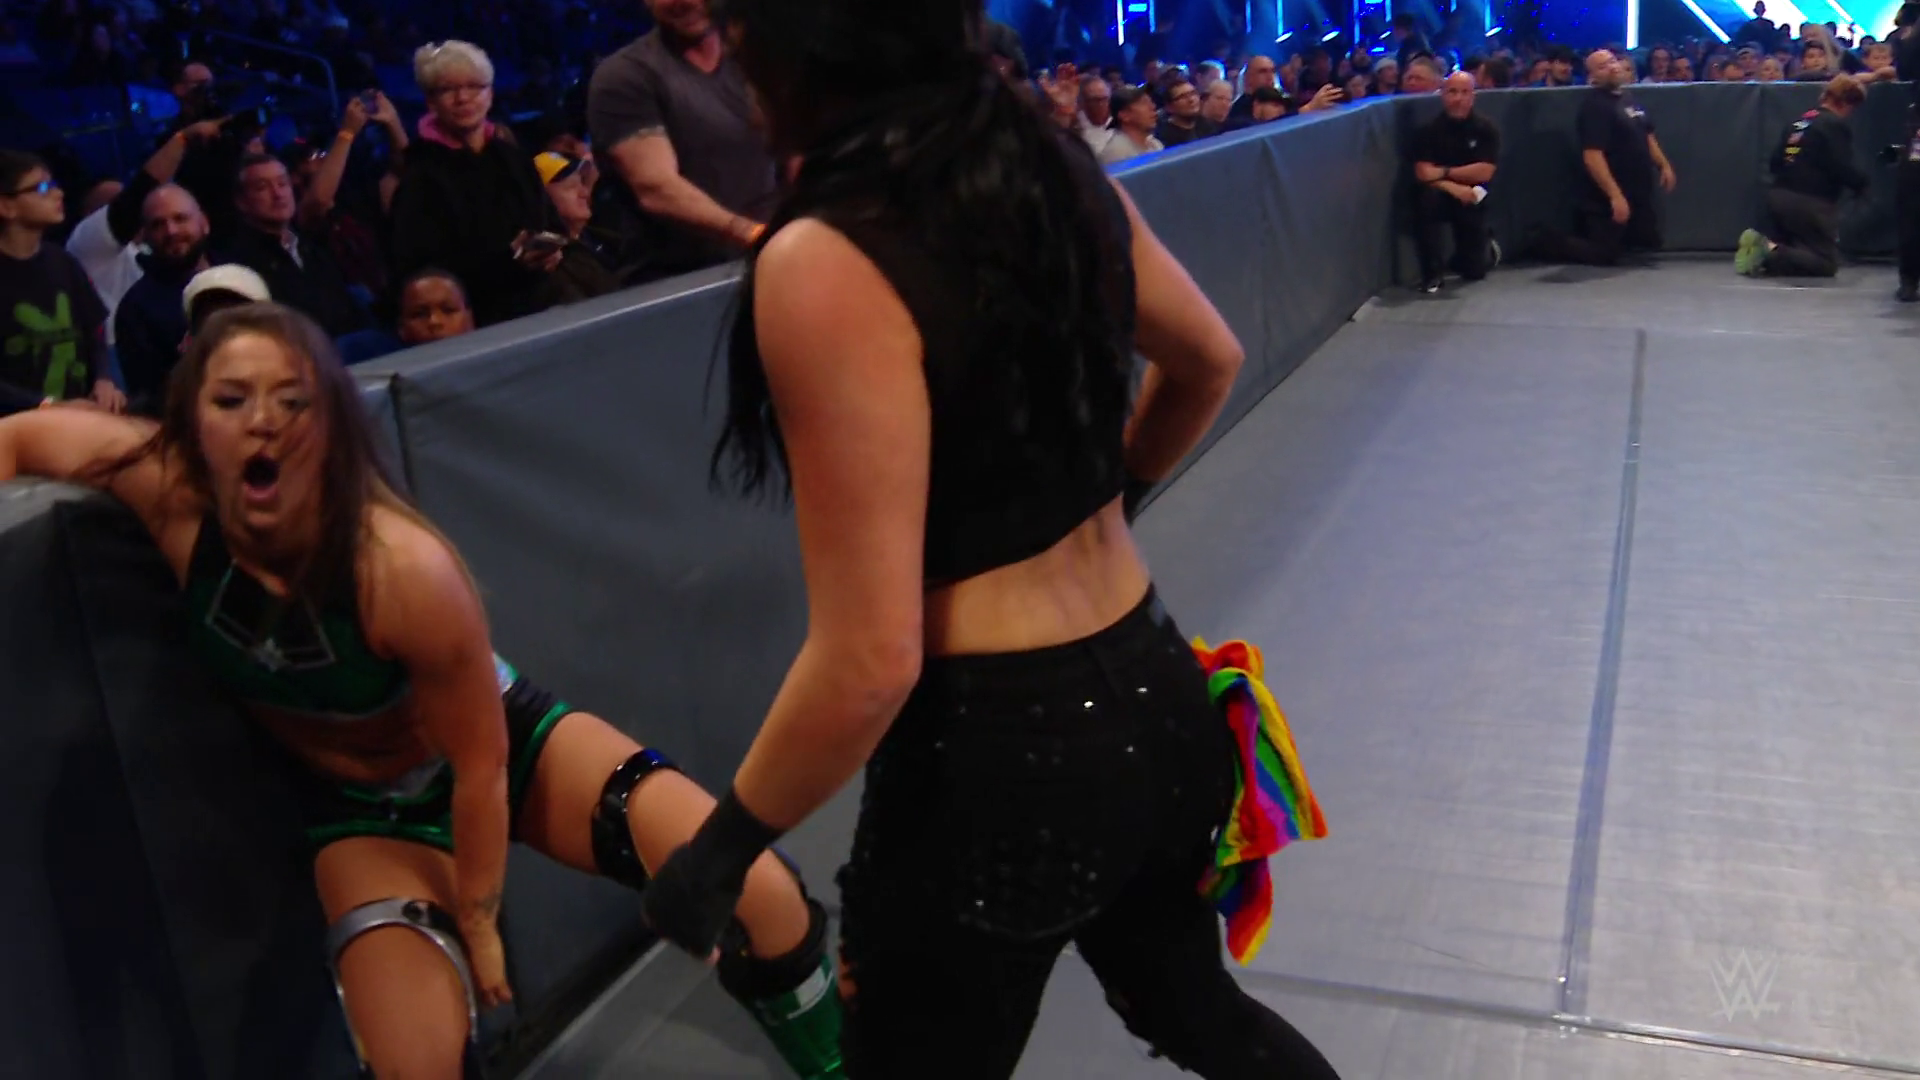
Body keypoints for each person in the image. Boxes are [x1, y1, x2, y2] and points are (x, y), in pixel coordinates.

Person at [637, 2, 1344, 1077]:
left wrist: (721, 850)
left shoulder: (828, 255)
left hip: (1000, 757)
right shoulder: (1052, 168)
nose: (735, 71)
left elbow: (870, 659)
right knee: (1204, 1014)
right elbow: (1208, 359)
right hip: (1158, 688)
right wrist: (1112, 501)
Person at [0, 303, 844, 1079]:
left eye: (292, 402)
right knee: (415, 1063)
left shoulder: (400, 568)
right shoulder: (167, 495)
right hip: (358, 809)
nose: (262, 423)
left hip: (498, 752)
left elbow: (482, 765)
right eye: (231, 400)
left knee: (760, 895)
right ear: (193, 420)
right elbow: (22, 439)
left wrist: (479, 923)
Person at [0, 150, 123, 416]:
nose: (58, 194)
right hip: (19, 426)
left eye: (54, 185)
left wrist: (104, 379)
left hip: (81, 415)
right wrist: (45, 405)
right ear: (6, 206)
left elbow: (94, 331)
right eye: (43, 188)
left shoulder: (62, 261)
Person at [1531, 49, 1677, 266]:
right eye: (1602, 66)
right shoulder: (1595, 106)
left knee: (1648, 240)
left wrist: (1663, 165)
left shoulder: (1628, 98)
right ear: (1592, 77)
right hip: (1606, 195)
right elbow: (1592, 156)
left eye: (1612, 61)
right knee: (1604, 253)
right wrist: (1615, 196)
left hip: (1637, 189)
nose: (1612, 67)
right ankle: (1545, 240)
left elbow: (1647, 134)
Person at [1737, 75, 1868, 279]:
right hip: (1810, 202)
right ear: (1846, 103)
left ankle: (1768, 253)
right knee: (1825, 263)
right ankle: (1769, 248)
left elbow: (1775, 162)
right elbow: (1841, 166)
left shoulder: (1798, 122)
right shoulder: (1834, 125)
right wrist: (1862, 184)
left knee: (1798, 250)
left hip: (1778, 197)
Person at [1411, 72, 1501, 293]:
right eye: (1452, 92)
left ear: (1473, 96)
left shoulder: (1486, 128)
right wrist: (1454, 187)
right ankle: (1432, 274)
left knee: (1474, 271)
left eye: (1464, 92)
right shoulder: (1428, 130)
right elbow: (1423, 173)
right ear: (1443, 95)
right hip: (1441, 195)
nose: (1458, 98)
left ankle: (1481, 248)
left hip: (1473, 195)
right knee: (1427, 199)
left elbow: (1485, 171)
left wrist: (1444, 172)